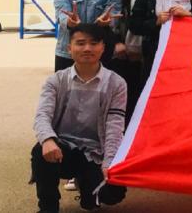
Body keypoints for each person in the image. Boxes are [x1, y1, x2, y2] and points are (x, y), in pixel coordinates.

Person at [30, 24, 128, 213]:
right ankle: (48, 207)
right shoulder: (56, 81)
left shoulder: (117, 84)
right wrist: (48, 140)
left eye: (94, 43)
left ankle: (85, 185)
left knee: (112, 194)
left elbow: (114, 128)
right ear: (69, 48)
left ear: (103, 47)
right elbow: (42, 115)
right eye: (80, 43)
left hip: (95, 153)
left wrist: (109, 163)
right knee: (41, 150)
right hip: (63, 150)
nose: (87, 48)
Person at [112, 0, 156, 120]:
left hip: (149, 52)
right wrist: (116, 42)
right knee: (122, 100)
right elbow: (112, 15)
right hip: (121, 50)